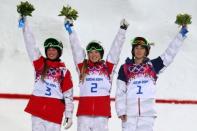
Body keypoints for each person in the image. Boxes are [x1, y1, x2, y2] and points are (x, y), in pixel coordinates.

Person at [115, 26, 188, 131]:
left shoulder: (153, 65)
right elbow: (120, 91)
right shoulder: (125, 68)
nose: (139, 50)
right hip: (129, 114)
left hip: (147, 115)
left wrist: (181, 35)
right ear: (133, 50)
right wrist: (121, 110)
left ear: (146, 51)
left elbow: (169, 54)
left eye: (142, 48)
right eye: (136, 48)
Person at [64, 18, 129, 131]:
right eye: (91, 52)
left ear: (101, 53)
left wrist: (122, 31)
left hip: (101, 115)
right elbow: (76, 49)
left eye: (96, 52)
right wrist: (71, 29)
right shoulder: (82, 67)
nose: (94, 54)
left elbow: (115, 50)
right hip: (84, 114)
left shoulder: (107, 67)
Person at [18, 17, 74, 131]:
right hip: (37, 111)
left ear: (59, 52)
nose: (51, 51)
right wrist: (25, 25)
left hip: (54, 113)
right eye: (49, 49)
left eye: (54, 49)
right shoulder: (40, 63)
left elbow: (68, 95)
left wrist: (69, 115)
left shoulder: (64, 71)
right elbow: (31, 45)